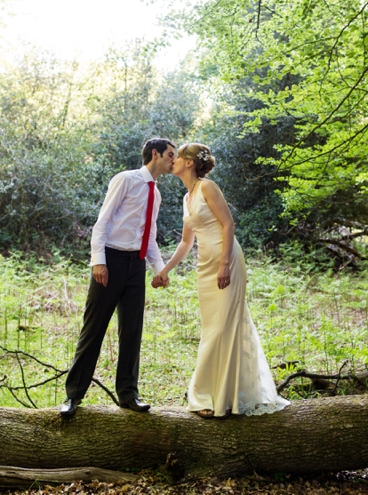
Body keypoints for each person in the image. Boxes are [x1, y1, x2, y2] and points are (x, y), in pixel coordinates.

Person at [156, 143, 289, 419]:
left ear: (189, 163)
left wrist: (225, 264)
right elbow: (185, 242)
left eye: (178, 156)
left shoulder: (208, 187)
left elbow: (229, 224)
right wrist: (165, 270)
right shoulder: (186, 197)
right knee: (213, 330)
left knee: (222, 329)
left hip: (226, 263)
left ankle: (208, 396)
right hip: (204, 267)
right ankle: (223, 396)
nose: (174, 161)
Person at [60, 138, 176, 417]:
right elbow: (103, 222)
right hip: (110, 262)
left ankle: (128, 395)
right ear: (155, 154)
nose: (174, 160)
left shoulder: (156, 194)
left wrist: (158, 269)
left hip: (135, 266)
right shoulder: (125, 180)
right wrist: (98, 261)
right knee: (94, 328)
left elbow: (149, 237)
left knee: (132, 330)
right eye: (171, 155)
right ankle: (73, 396)